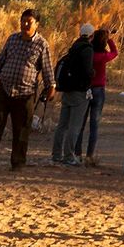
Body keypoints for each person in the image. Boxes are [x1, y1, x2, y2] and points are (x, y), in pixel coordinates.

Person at [0, 9, 53, 170]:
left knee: (21, 130)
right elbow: (0, 60)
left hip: (25, 94)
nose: (25, 24)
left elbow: (47, 70)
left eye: (29, 21)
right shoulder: (12, 39)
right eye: (23, 20)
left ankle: (18, 163)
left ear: (37, 24)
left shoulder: (41, 44)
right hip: (4, 90)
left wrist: (50, 88)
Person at [50, 22, 97, 165]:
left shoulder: (74, 47)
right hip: (80, 91)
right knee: (75, 126)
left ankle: (56, 154)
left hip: (67, 89)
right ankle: (69, 156)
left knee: (62, 124)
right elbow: (88, 71)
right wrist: (92, 75)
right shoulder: (88, 49)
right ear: (92, 36)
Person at [82, 24, 118, 162]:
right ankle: (90, 155)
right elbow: (115, 52)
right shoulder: (103, 56)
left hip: (86, 88)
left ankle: (77, 151)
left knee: (81, 122)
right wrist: (109, 39)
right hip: (99, 90)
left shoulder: (89, 55)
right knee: (94, 124)